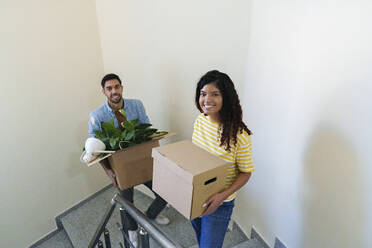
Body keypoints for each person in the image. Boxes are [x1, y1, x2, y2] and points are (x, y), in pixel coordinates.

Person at [88, 73, 170, 248]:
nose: (114, 91)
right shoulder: (97, 116)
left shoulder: (136, 105)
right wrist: (109, 172)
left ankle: (149, 218)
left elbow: (147, 132)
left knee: (164, 194)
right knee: (127, 204)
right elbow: (96, 150)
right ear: (103, 92)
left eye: (117, 87)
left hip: (141, 161)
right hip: (120, 167)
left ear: (122, 88)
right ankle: (131, 232)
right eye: (109, 88)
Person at [191, 70, 254, 248]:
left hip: (220, 203)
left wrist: (221, 196)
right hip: (197, 194)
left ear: (226, 97)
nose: (207, 100)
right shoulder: (200, 121)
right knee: (201, 238)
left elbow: (246, 172)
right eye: (203, 94)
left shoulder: (239, 134)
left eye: (215, 94)